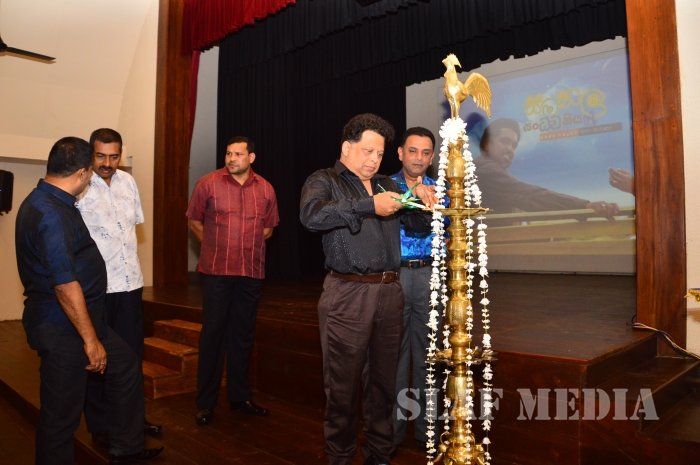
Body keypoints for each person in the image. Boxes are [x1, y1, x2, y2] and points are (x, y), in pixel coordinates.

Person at [14, 137, 163, 465]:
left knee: (125, 367)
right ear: (82, 173)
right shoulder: (51, 213)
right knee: (60, 418)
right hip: (63, 327)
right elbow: (64, 285)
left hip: (82, 321)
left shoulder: (50, 200)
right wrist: (90, 341)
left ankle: (127, 449)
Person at [300, 114, 436, 465]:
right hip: (348, 293)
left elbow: (418, 225)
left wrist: (420, 199)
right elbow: (312, 216)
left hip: (390, 292)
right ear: (347, 148)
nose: (374, 159)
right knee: (342, 390)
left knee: (383, 386)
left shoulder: (385, 185)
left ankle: (379, 456)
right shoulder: (325, 180)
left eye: (379, 153)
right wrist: (368, 205)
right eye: (368, 151)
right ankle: (340, 458)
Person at [76, 128, 162, 448]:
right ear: (91, 153)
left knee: (132, 357)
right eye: (101, 156)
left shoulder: (128, 182)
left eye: (114, 156)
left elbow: (130, 231)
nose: (107, 163)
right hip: (97, 289)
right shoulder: (80, 185)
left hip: (130, 285)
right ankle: (100, 424)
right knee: (98, 359)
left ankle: (132, 419)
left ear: (120, 155)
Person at [187, 136, 279, 426]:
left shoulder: (266, 189)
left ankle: (240, 398)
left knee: (242, 336)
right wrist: (216, 247)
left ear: (251, 157)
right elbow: (194, 221)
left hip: (250, 273)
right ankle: (206, 403)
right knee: (213, 336)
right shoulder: (207, 183)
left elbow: (268, 229)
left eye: (238, 154)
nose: (231, 159)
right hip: (216, 272)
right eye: (229, 153)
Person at [390, 127, 442, 452]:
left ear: (432, 157)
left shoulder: (442, 189)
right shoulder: (384, 186)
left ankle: (428, 431)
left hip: (429, 277)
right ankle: (392, 435)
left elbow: (448, 226)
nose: (418, 158)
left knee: (428, 356)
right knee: (394, 358)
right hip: (394, 278)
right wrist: (412, 196)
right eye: (412, 151)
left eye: (425, 152)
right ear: (400, 153)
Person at [474, 118, 619, 216]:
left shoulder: (490, 175)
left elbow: (530, 200)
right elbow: (529, 193)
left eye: (514, 145)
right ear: (487, 144)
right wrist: (584, 206)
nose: (510, 150)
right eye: (505, 141)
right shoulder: (485, 169)